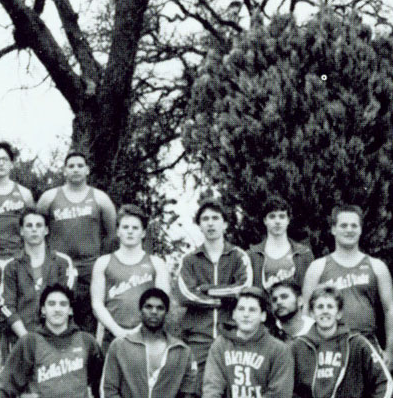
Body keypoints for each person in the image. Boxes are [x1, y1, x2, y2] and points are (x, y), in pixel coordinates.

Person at [288, 285, 393, 398]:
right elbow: (287, 391)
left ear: (339, 313)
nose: (325, 312)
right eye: (319, 307)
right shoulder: (297, 347)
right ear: (312, 313)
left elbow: (385, 382)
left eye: (330, 307)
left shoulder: (357, 343)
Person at [187, 288, 294, 398]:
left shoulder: (278, 349)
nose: (246, 314)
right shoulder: (221, 345)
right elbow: (212, 386)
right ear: (234, 314)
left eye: (252, 310)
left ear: (263, 315)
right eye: (241, 309)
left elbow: (279, 396)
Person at [301, 205, 393, 369]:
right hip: (329, 343)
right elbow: (306, 311)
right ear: (333, 229)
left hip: (367, 341)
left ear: (360, 230)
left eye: (354, 225)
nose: (349, 230)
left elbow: (390, 309)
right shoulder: (318, 267)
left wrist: (390, 350)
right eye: (343, 225)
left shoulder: (376, 266)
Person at [37, 151, 117, 332]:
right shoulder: (49, 198)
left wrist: (99, 260)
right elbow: (36, 229)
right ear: (64, 171)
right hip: (58, 266)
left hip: (90, 267)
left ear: (87, 170)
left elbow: (111, 235)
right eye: (71, 166)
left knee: (89, 316)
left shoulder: (100, 198)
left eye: (80, 166)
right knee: (56, 311)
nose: (76, 170)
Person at [176, 201, 253, 376]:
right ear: (200, 226)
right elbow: (184, 294)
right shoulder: (190, 259)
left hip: (232, 335)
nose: (210, 223)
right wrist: (223, 297)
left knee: (233, 391)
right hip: (198, 338)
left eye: (215, 218)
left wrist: (206, 289)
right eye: (205, 219)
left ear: (225, 224)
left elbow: (243, 289)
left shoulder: (239, 256)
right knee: (195, 389)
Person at [90, 204, 170, 348]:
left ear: (143, 233)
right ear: (118, 231)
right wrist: (118, 331)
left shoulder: (157, 263)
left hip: (148, 336)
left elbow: (163, 303)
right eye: (125, 227)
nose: (130, 232)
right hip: (112, 336)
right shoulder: (103, 262)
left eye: (135, 228)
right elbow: (97, 304)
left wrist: (140, 330)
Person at [0, 208, 76, 347]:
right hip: (20, 339)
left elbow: (67, 301)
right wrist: (25, 338)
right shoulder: (11, 266)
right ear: (21, 231)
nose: (34, 230)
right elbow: (6, 306)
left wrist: (52, 336)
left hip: (56, 338)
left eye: (39, 225)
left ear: (46, 230)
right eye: (29, 225)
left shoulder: (62, 262)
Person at [247, 202, 314, 298]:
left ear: (288, 220)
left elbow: (311, 292)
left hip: (295, 311)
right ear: (265, 220)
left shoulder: (304, 254)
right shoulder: (252, 255)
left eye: (282, 216)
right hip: (263, 310)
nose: (277, 221)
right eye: (272, 216)